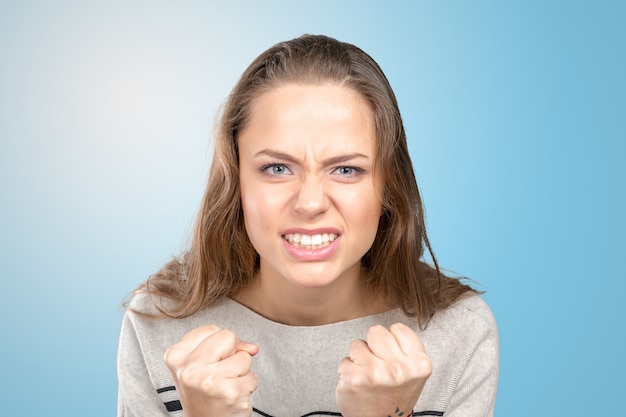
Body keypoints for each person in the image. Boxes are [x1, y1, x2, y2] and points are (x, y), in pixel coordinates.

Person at [117, 34, 499, 417]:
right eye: (277, 168)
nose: (311, 203)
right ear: (236, 181)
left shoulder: (457, 336)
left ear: (388, 186)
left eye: (346, 169)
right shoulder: (158, 324)